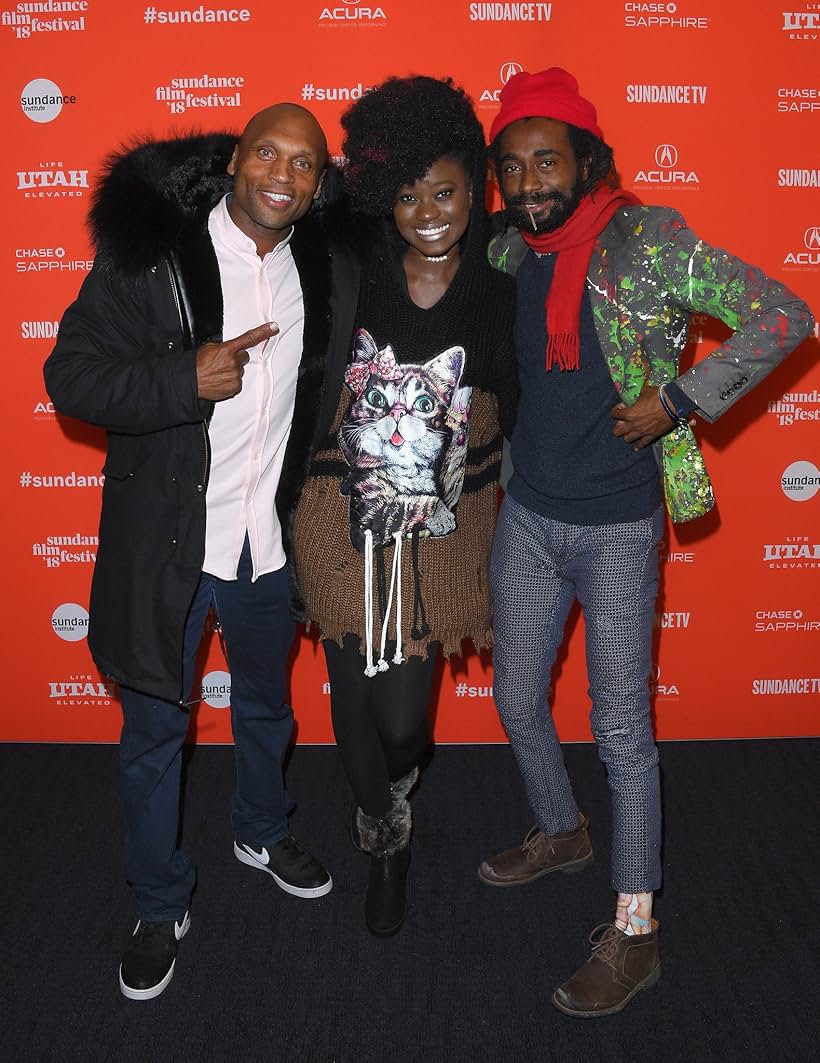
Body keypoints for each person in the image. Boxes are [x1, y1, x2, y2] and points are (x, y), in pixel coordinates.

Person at [478, 67, 814, 1017]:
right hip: (531, 515)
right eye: (513, 165)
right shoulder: (511, 252)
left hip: (621, 523)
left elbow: (787, 313)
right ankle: (560, 828)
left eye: (549, 160)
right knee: (512, 694)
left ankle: (636, 931)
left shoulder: (650, 240)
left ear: (588, 158)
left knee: (623, 730)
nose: (532, 180)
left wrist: (677, 398)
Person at [44, 104, 359, 1000]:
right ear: (235, 160)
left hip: (266, 545)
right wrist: (182, 379)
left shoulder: (323, 267)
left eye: (304, 164)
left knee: (267, 706)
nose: (283, 175)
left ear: (317, 182)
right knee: (154, 735)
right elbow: (68, 374)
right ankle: (156, 899)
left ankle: (261, 827)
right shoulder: (154, 257)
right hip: (169, 548)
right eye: (268, 152)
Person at [292, 76, 518, 937]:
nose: (427, 209)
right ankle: (382, 840)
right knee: (350, 675)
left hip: (446, 528)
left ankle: (393, 784)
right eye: (408, 191)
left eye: (447, 189)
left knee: (404, 723)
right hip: (337, 510)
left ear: (476, 188)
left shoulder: (503, 282)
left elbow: (528, 396)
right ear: (381, 194)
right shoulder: (351, 267)